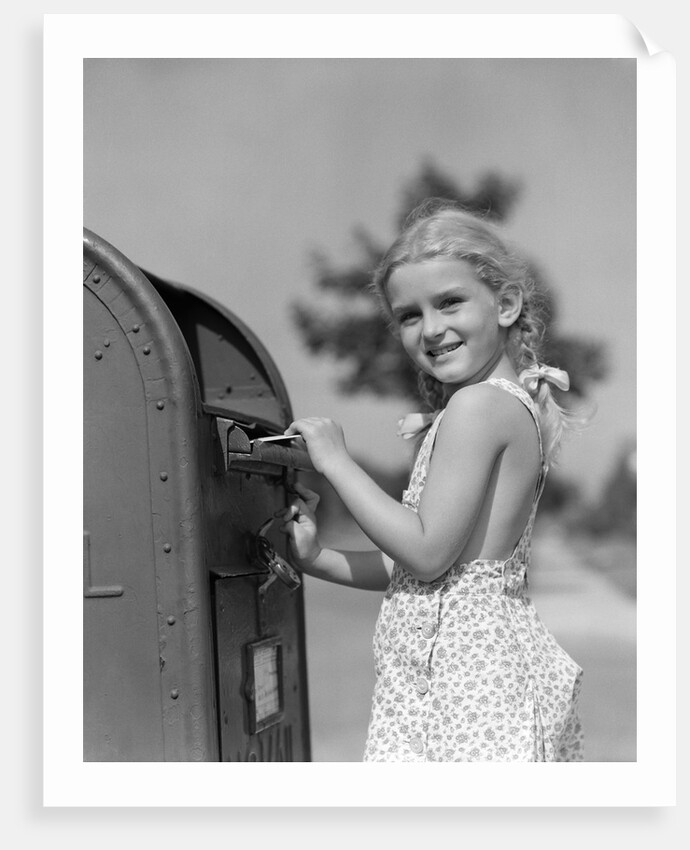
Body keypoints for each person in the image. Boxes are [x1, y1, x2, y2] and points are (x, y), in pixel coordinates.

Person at [279, 199, 584, 762]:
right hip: (475, 686)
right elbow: (427, 573)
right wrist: (319, 557)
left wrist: (337, 461)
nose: (431, 328)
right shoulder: (493, 406)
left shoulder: (477, 408)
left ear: (507, 304)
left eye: (449, 302)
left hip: (468, 696)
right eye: (409, 315)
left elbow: (425, 553)